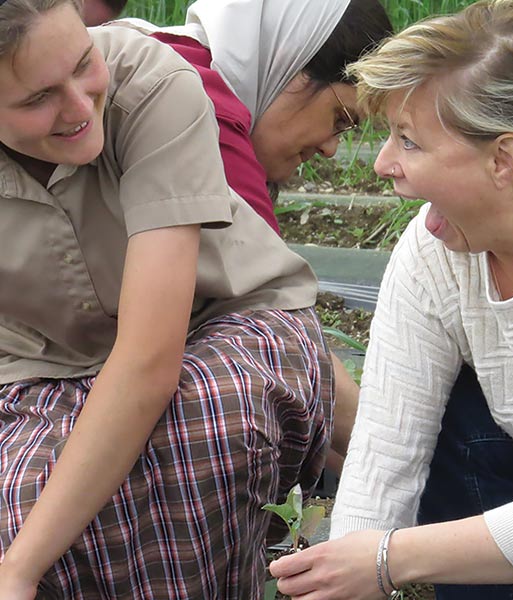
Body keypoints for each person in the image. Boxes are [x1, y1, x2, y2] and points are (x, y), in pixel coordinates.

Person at [0, 0, 336, 597]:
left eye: (84, 62)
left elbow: (151, 362)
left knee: (195, 432)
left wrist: (18, 571)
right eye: (36, 99)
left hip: (226, 324)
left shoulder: (154, 82)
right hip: (47, 363)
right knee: (26, 499)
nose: (80, 106)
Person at [269, 0, 513, 598]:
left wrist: (389, 559)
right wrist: (348, 573)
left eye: (409, 140)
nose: (381, 163)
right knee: (453, 412)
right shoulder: (434, 250)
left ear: (504, 158)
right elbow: (386, 450)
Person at [115, 0, 392, 473]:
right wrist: (410, 463)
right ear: (290, 65)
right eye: (340, 118)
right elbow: (280, 321)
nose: (330, 148)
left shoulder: (172, 59)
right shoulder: (200, 106)